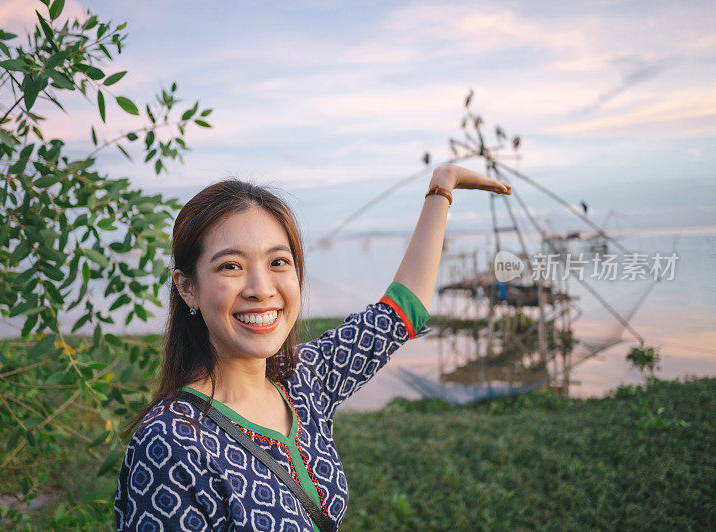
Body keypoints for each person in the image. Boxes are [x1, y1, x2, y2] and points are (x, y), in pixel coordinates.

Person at [114, 165, 512, 531]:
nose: (261, 289)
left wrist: (441, 187)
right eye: (230, 266)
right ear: (188, 288)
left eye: (278, 262)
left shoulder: (303, 379)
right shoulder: (171, 442)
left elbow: (400, 311)